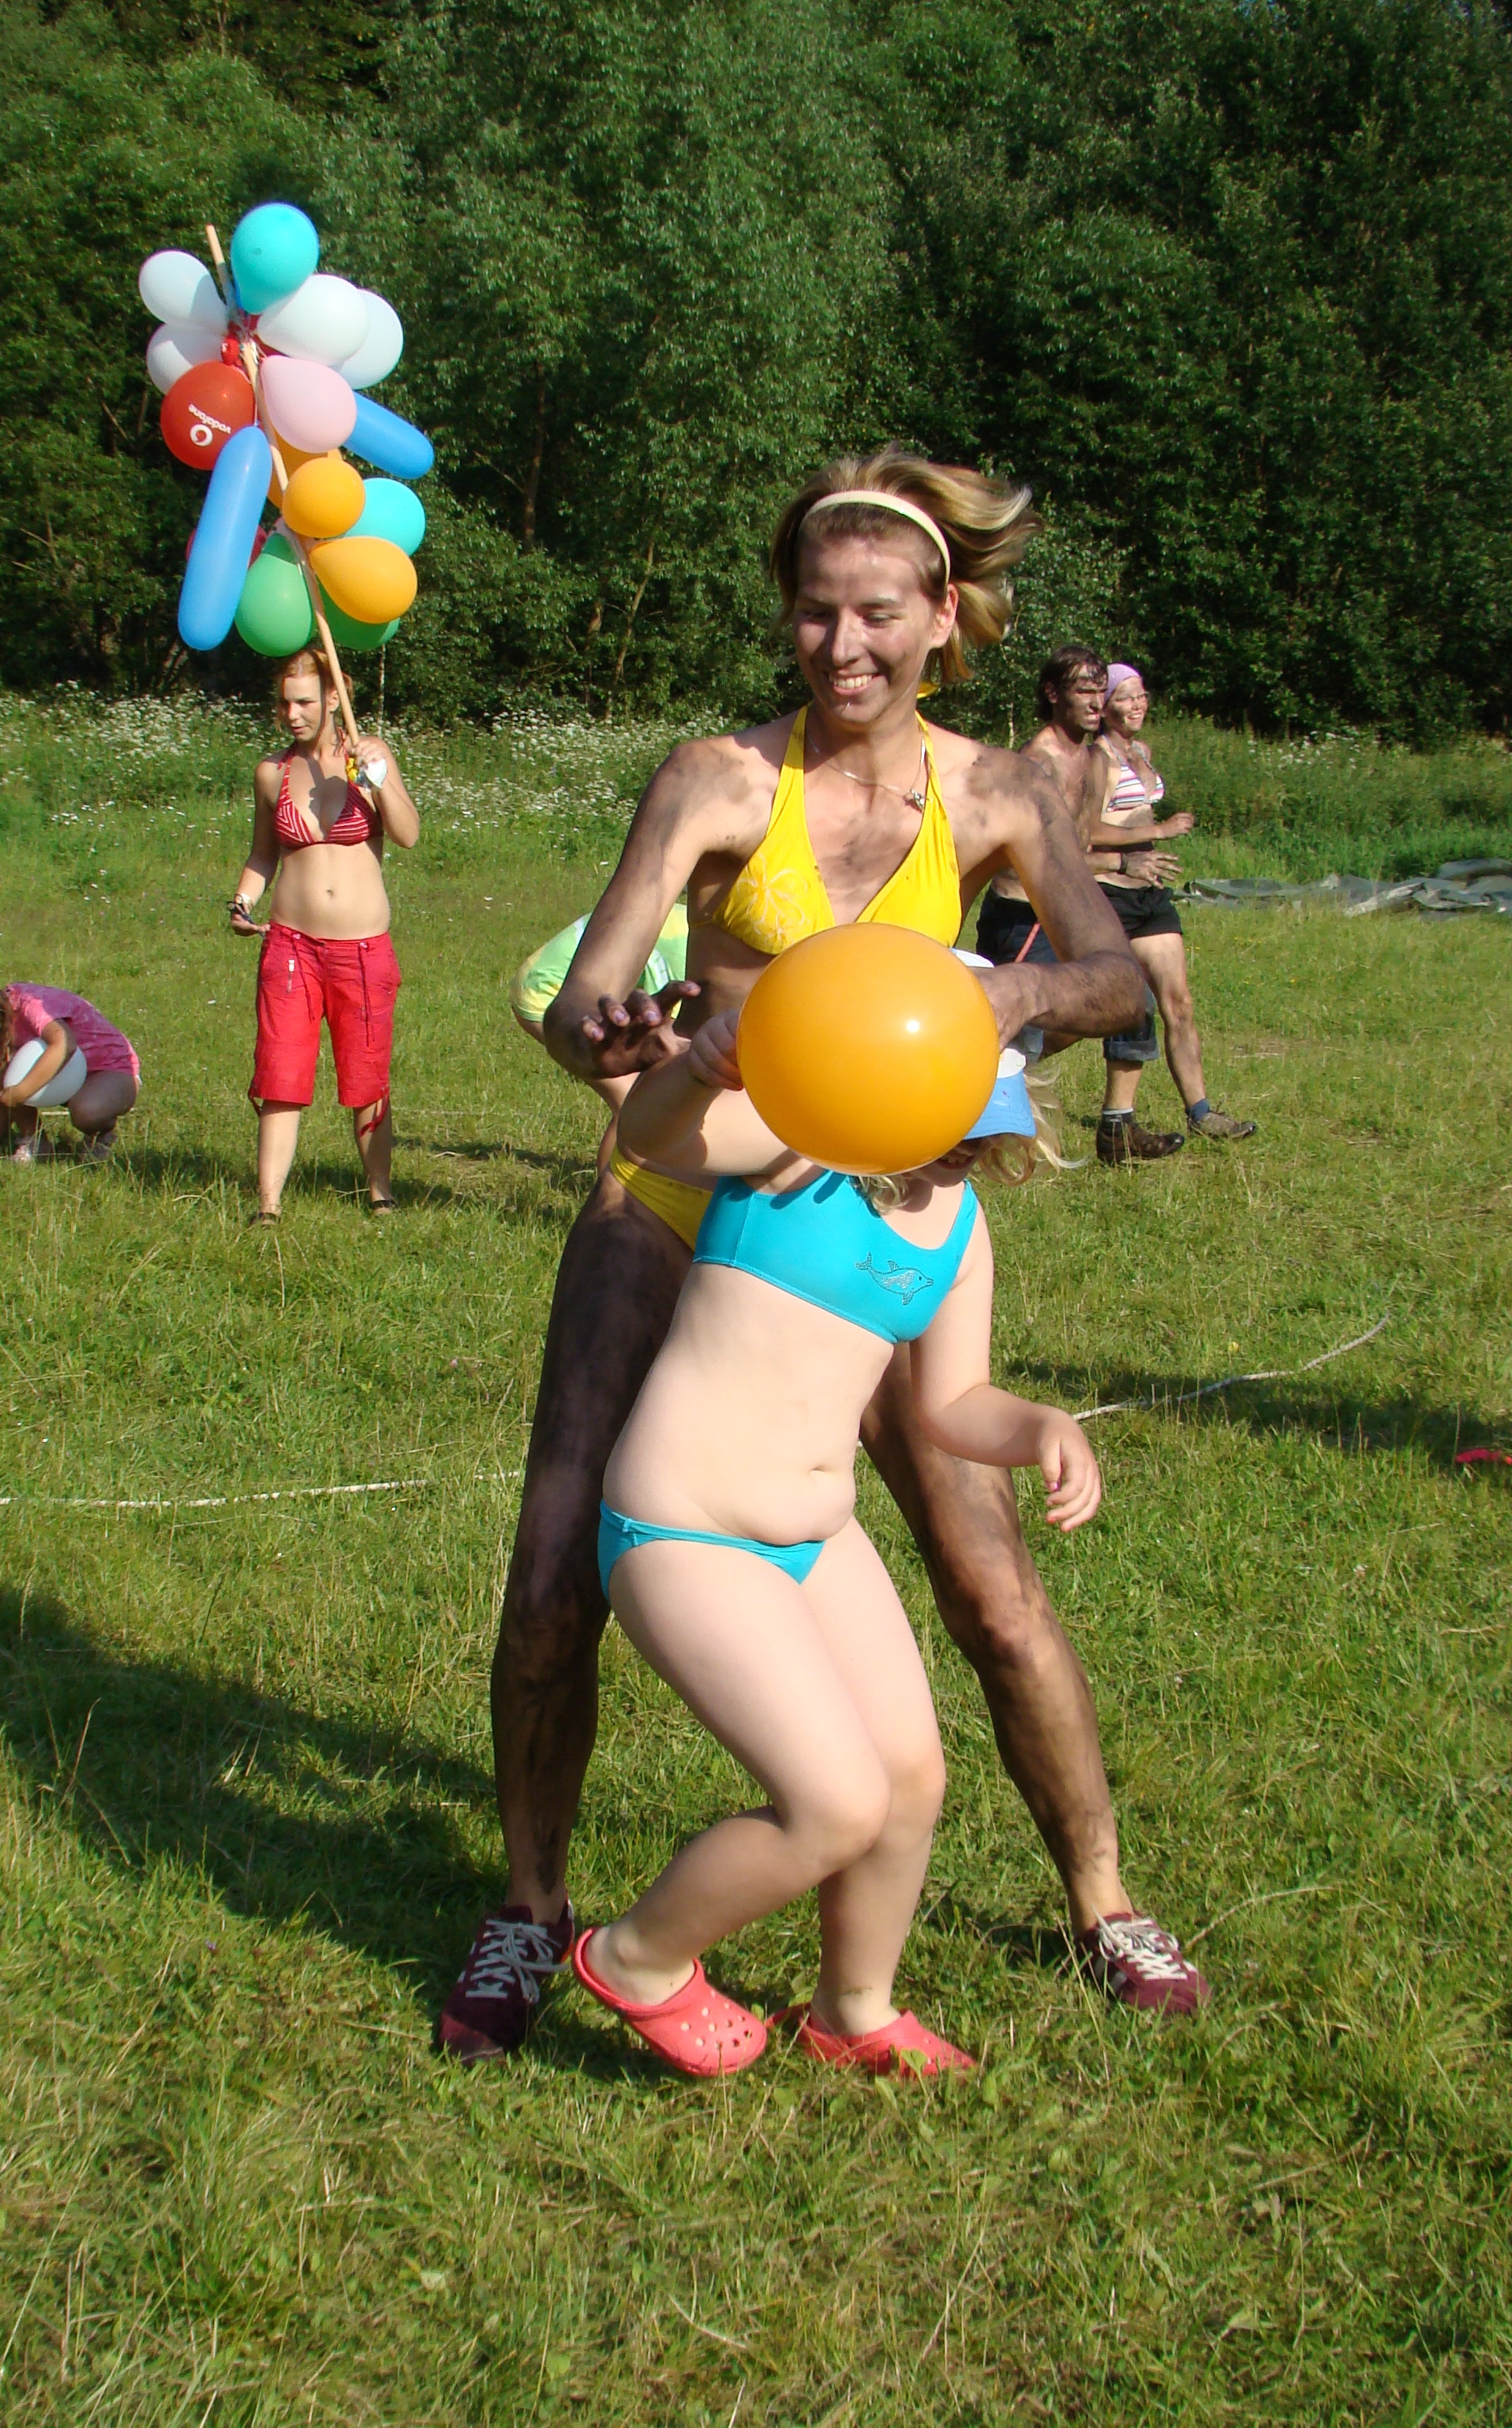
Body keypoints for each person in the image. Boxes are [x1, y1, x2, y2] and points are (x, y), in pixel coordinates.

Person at [440, 446, 1209, 2065]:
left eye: (874, 614)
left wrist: (1007, 996)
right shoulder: (717, 778)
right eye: (812, 612)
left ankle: (1102, 1898)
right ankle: (527, 1910)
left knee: (988, 1581)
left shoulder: (1001, 793)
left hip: (875, 1212)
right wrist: (625, 1036)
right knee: (554, 1558)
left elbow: (1114, 979)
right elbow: (584, 996)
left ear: (942, 618)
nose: (840, 645)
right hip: (682, 1188)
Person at [574, 1013, 1099, 2080]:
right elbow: (654, 1139)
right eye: (949, 1126)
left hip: (816, 1534)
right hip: (687, 1527)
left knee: (908, 1782)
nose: (963, 1155)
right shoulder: (794, 1147)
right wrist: (699, 1068)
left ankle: (854, 2009)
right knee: (835, 1804)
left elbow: (954, 1400)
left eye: (983, 1134)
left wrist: (1043, 1423)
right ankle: (637, 1957)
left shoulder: (959, 1228)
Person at [974, 645, 1184, 1166]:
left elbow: (1083, 840)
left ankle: (1117, 1127)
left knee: (1132, 1000)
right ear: (1053, 694)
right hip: (1023, 915)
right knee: (1008, 1025)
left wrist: (1124, 858)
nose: (1096, 702)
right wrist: (1122, 863)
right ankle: (966, 1113)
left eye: (1099, 691)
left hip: (1063, 907)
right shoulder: (1036, 763)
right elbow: (1029, 854)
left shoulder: (1088, 757)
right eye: (1083, 691)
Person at [229, 646, 420, 1217]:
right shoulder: (272, 772)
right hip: (291, 946)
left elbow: (408, 834)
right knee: (280, 1072)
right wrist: (241, 902)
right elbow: (263, 855)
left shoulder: (370, 755)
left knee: (366, 1076)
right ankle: (268, 1205)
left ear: (334, 698)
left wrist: (379, 780)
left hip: (362, 950)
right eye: (285, 703)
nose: (292, 714)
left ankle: (380, 1192)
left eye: (305, 702)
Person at [1091, 663, 1255, 1144]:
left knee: (1178, 1002)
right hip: (1109, 892)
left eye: (1142, 694)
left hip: (1150, 892)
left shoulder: (1142, 751)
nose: (1137, 704)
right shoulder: (1097, 760)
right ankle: (1111, 1117)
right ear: (1104, 706)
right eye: (1125, 697)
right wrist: (1157, 831)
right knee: (1128, 1005)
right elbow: (1088, 830)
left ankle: (1201, 1113)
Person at [511, 900, 692, 1171]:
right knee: (635, 1102)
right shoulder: (690, 954)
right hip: (547, 991)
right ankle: (612, 1190)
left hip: (558, 983)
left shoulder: (702, 932)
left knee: (644, 1097)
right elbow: (668, 1029)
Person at [0, 977, 140, 1164]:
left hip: (111, 1069)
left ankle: (102, 1134)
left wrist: (21, 1092)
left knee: (87, 1112)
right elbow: (6, 1093)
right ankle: (35, 1141)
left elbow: (64, 1045)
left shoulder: (30, 1006)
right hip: (67, 1074)